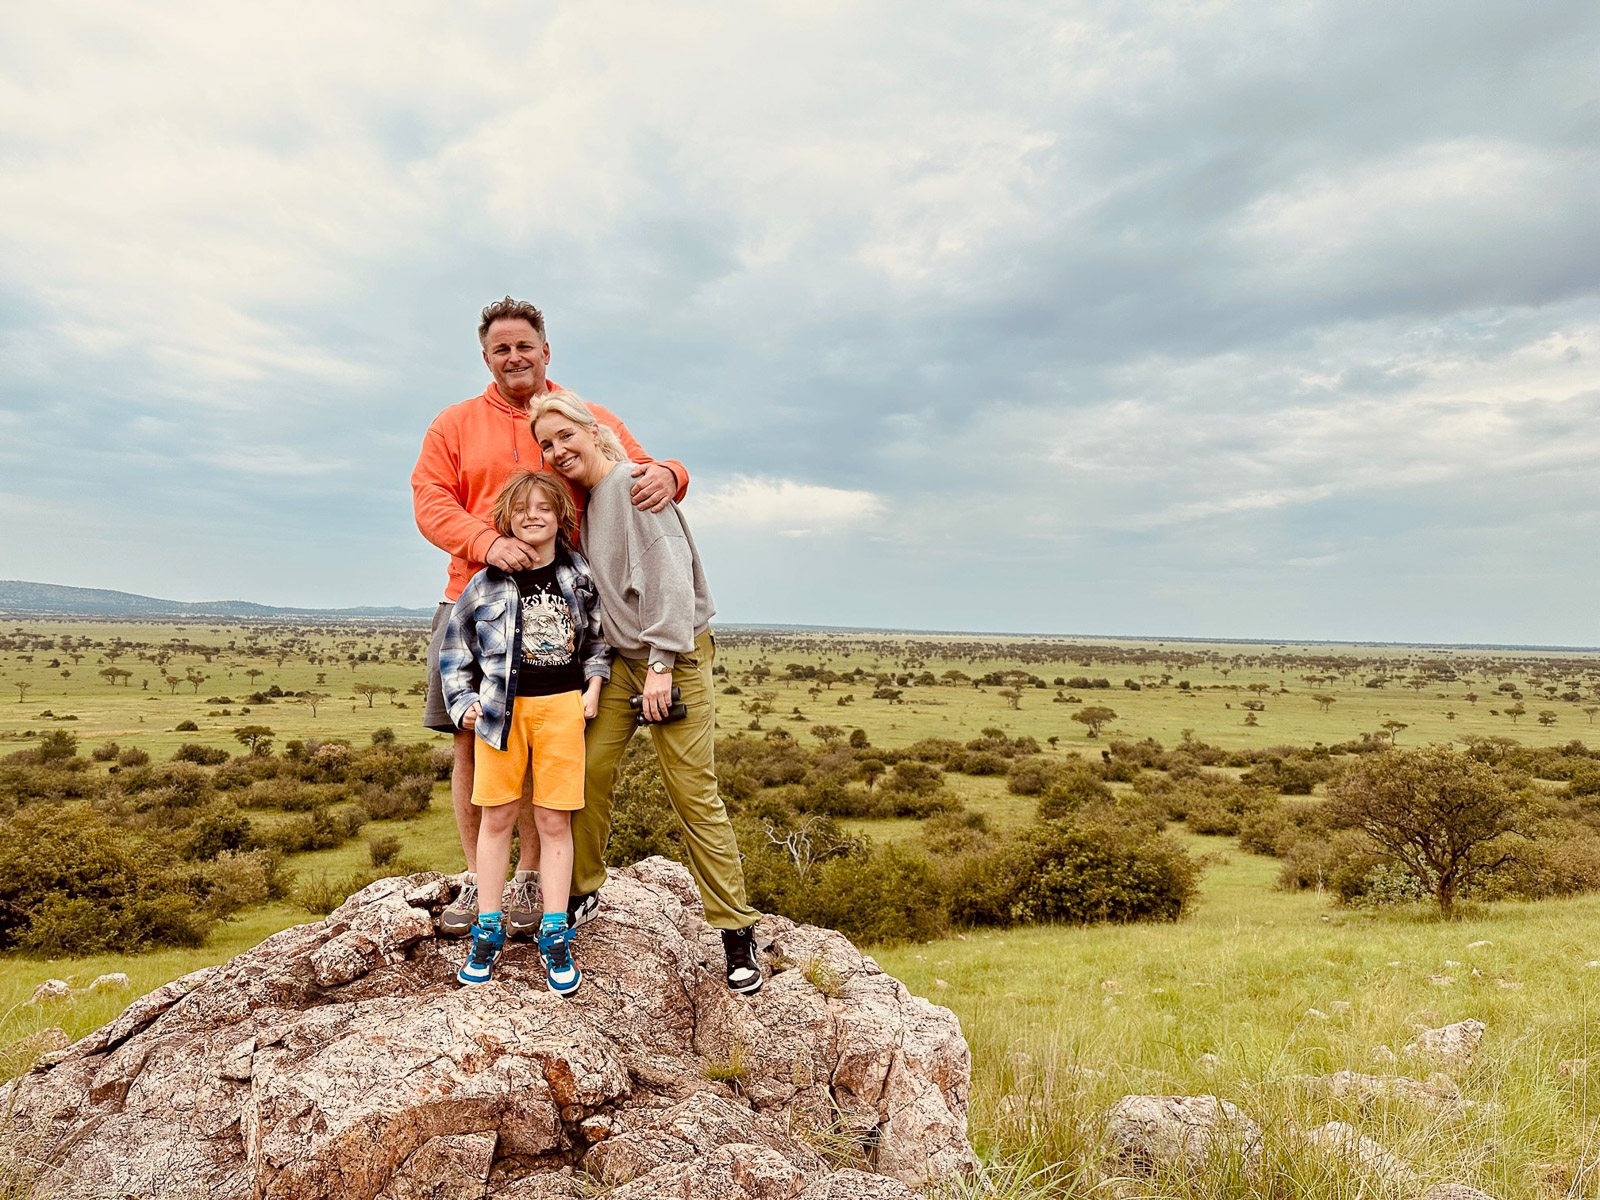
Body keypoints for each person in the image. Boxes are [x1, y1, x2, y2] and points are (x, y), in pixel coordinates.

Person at [412, 297, 688, 937]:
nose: (514, 357)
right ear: (486, 357)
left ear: (546, 351)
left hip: (562, 602)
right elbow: (429, 501)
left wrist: (674, 473)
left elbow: (641, 466)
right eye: (501, 348)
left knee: (547, 742)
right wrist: (487, 544)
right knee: (473, 738)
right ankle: (480, 881)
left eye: (525, 346)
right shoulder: (452, 425)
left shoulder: (578, 416)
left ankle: (533, 880)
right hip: (472, 598)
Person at [531, 389, 763, 995]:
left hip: (672, 659)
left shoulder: (635, 487)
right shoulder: (585, 505)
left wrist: (661, 664)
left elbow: (669, 577)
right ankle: (582, 891)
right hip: (623, 664)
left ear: (594, 431)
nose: (557, 451)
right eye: (546, 445)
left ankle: (736, 935)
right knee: (582, 773)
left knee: (692, 793)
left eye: (565, 437)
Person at [437, 470, 610, 991]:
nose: (532, 516)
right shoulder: (485, 581)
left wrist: (594, 687)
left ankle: (555, 936)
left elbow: (598, 638)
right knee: (498, 817)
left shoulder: (579, 574)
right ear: (505, 519)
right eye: (520, 509)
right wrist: (463, 702)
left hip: (561, 711)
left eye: (543, 507)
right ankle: (487, 933)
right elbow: (454, 650)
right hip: (500, 713)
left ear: (561, 516)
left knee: (555, 822)